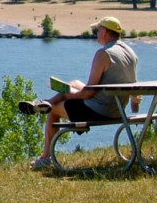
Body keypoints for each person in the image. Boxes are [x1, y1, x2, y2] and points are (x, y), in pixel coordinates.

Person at [19, 16, 139, 170]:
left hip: (100, 110)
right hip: (118, 109)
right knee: (74, 83)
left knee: (54, 109)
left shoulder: (103, 54)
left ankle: (45, 158)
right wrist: (134, 112)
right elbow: (134, 91)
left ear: (104, 32)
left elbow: (88, 93)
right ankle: (46, 101)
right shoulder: (130, 53)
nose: (96, 33)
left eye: (98, 30)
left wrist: (65, 95)